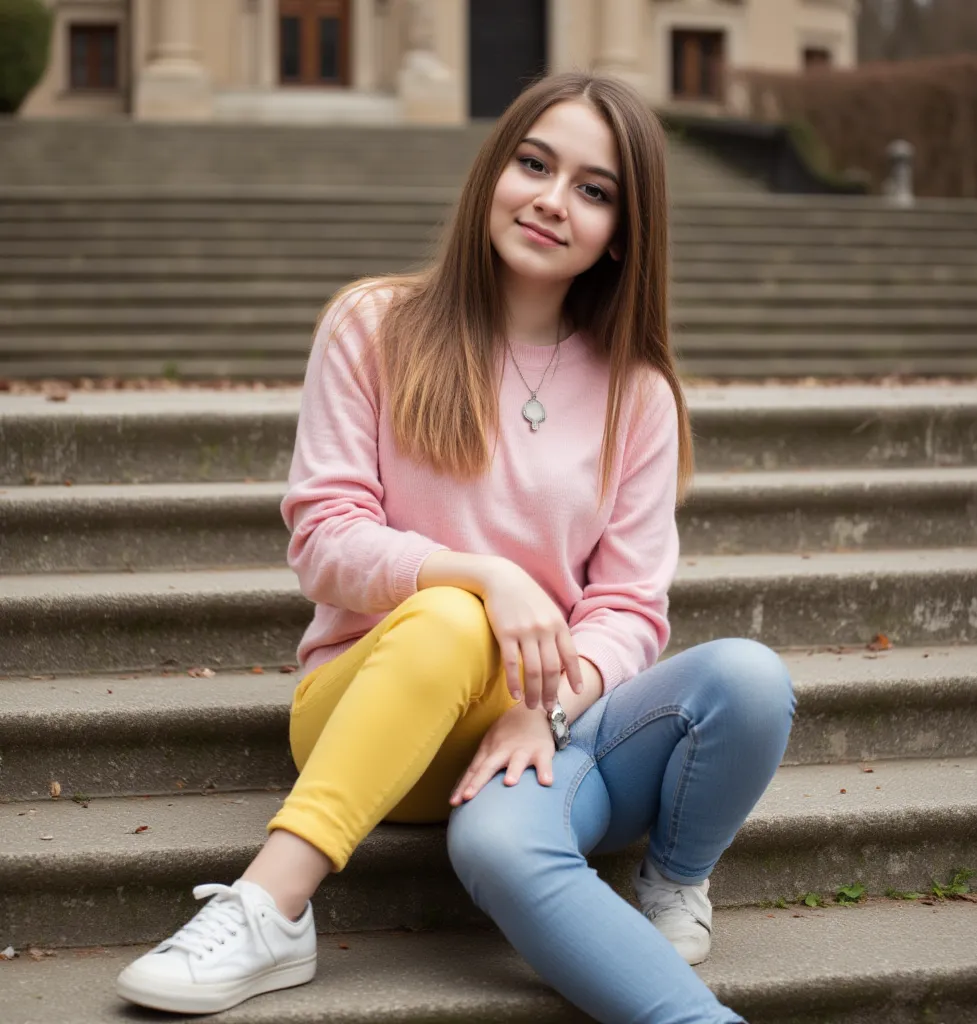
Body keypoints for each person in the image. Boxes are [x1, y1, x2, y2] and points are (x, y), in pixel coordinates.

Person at [115, 72, 795, 1023]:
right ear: (494, 171)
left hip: (534, 727)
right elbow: (324, 540)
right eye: (535, 164)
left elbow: (630, 606)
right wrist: (483, 576)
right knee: (447, 618)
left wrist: (547, 712)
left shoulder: (638, 393)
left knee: (751, 679)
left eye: (595, 191)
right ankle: (272, 907)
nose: (553, 201)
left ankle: (675, 879)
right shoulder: (375, 325)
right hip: (371, 691)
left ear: (622, 233)